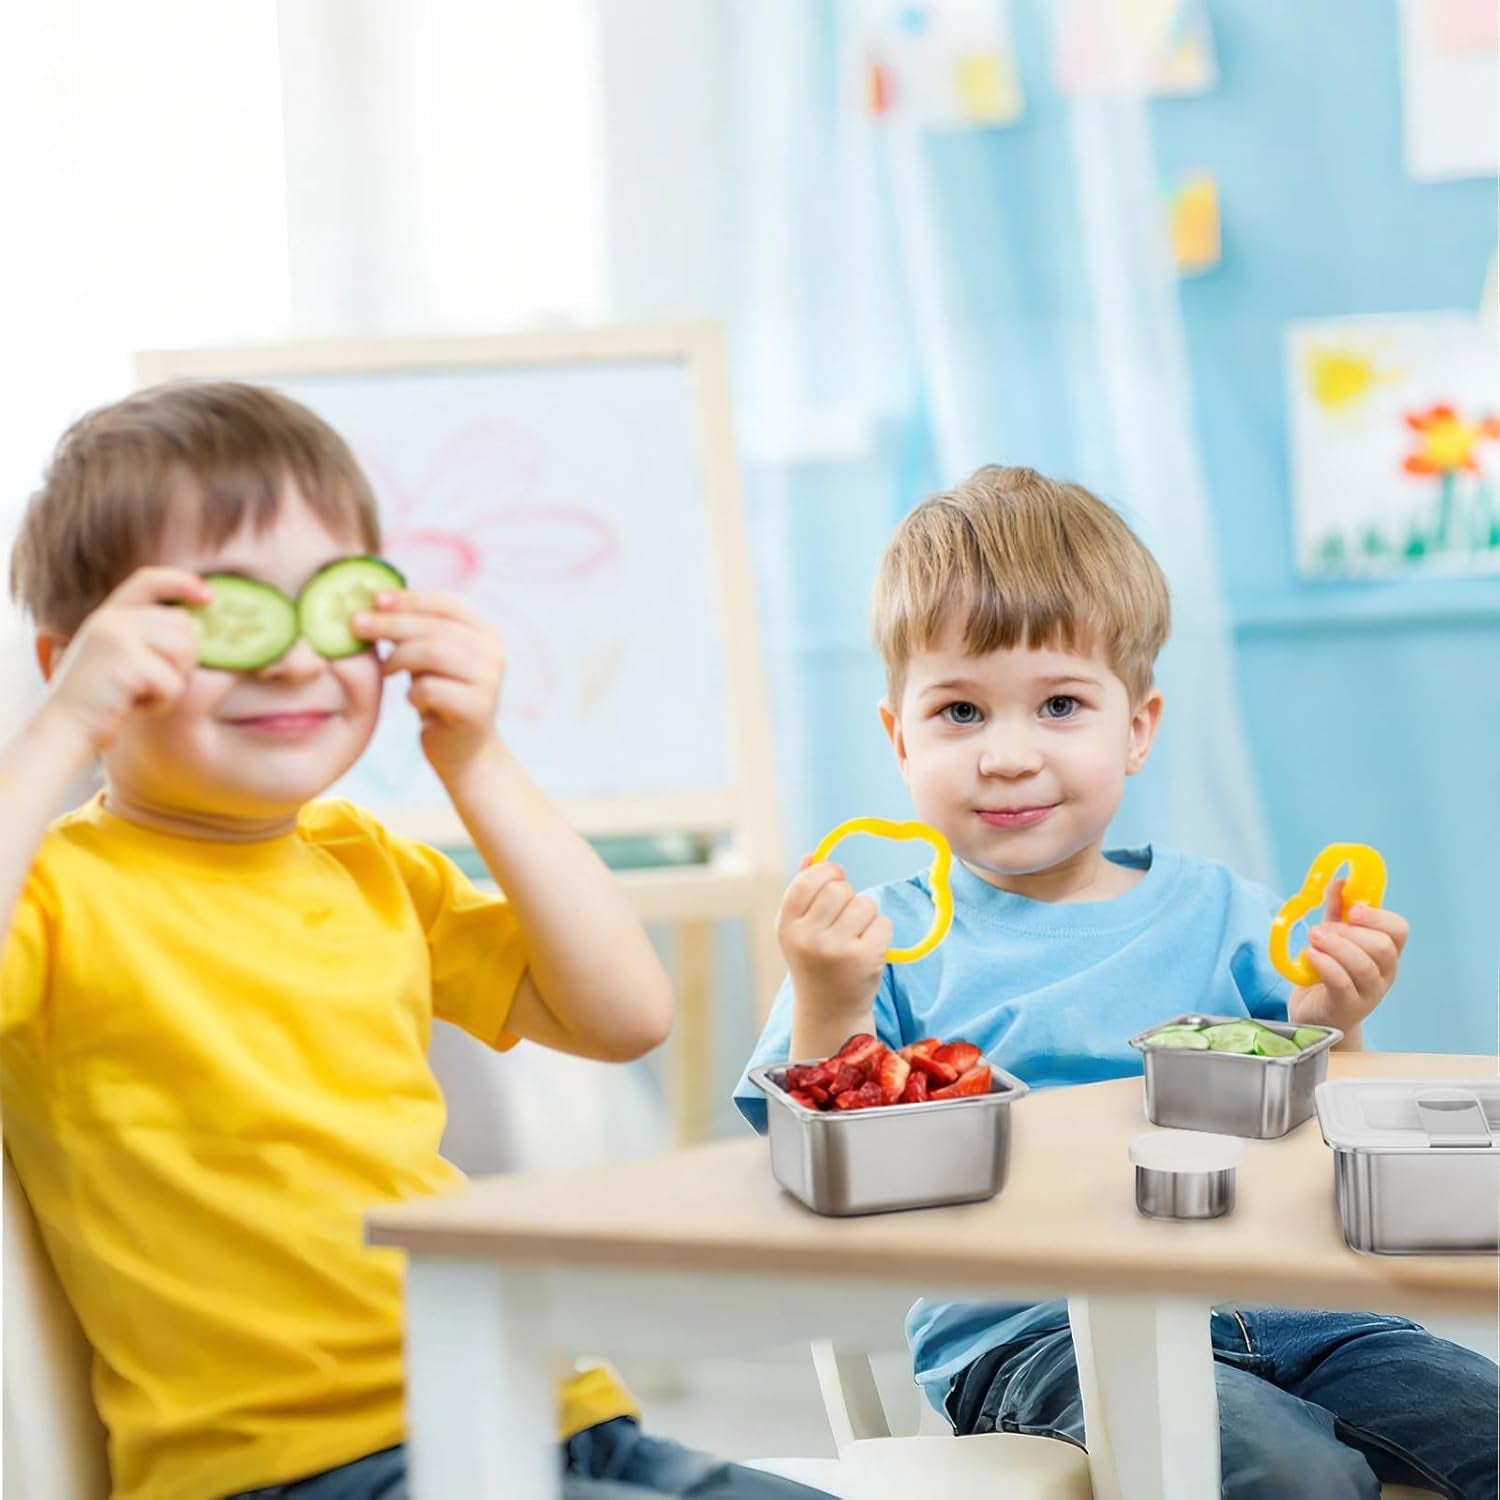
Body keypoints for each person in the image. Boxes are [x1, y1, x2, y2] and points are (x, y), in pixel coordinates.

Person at [1, 382, 831, 1500]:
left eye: (329, 609)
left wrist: (476, 759)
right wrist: (58, 731)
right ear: (82, 661)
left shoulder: (363, 859)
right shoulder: (55, 894)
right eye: (219, 618)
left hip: (536, 1403)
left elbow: (623, 1014)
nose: (294, 660)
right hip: (306, 1469)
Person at [735, 464, 1497, 1499]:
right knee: (1286, 1474)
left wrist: (1335, 1025)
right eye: (960, 711)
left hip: (1298, 1305)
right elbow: (809, 1168)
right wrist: (828, 998)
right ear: (897, 736)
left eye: (1058, 704)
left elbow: (1323, 1144)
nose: (1007, 755)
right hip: (1034, 1334)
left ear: (1135, 727)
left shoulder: (1231, 915)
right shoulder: (881, 941)